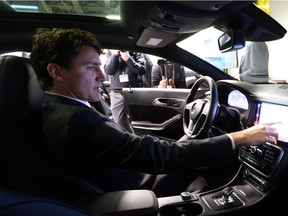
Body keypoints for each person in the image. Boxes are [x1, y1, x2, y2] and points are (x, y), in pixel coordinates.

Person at [30, 27, 279, 198]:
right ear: (57, 72)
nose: (102, 76)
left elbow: (140, 149)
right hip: (143, 191)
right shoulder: (74, 121)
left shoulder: (61, 109)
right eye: (91, 67)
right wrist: (240, 138)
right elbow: (159, 157)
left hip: (135, 179)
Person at [104, 49, 146, 132]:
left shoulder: (136, 51)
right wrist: (114, 55)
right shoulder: (110, 50)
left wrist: (128, 59)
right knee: (119, 121)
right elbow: (108, 71)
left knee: (138, 120)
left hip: (133, 90)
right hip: (116, 91)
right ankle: (128, 139)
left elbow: (141, 70)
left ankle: (139, 138)